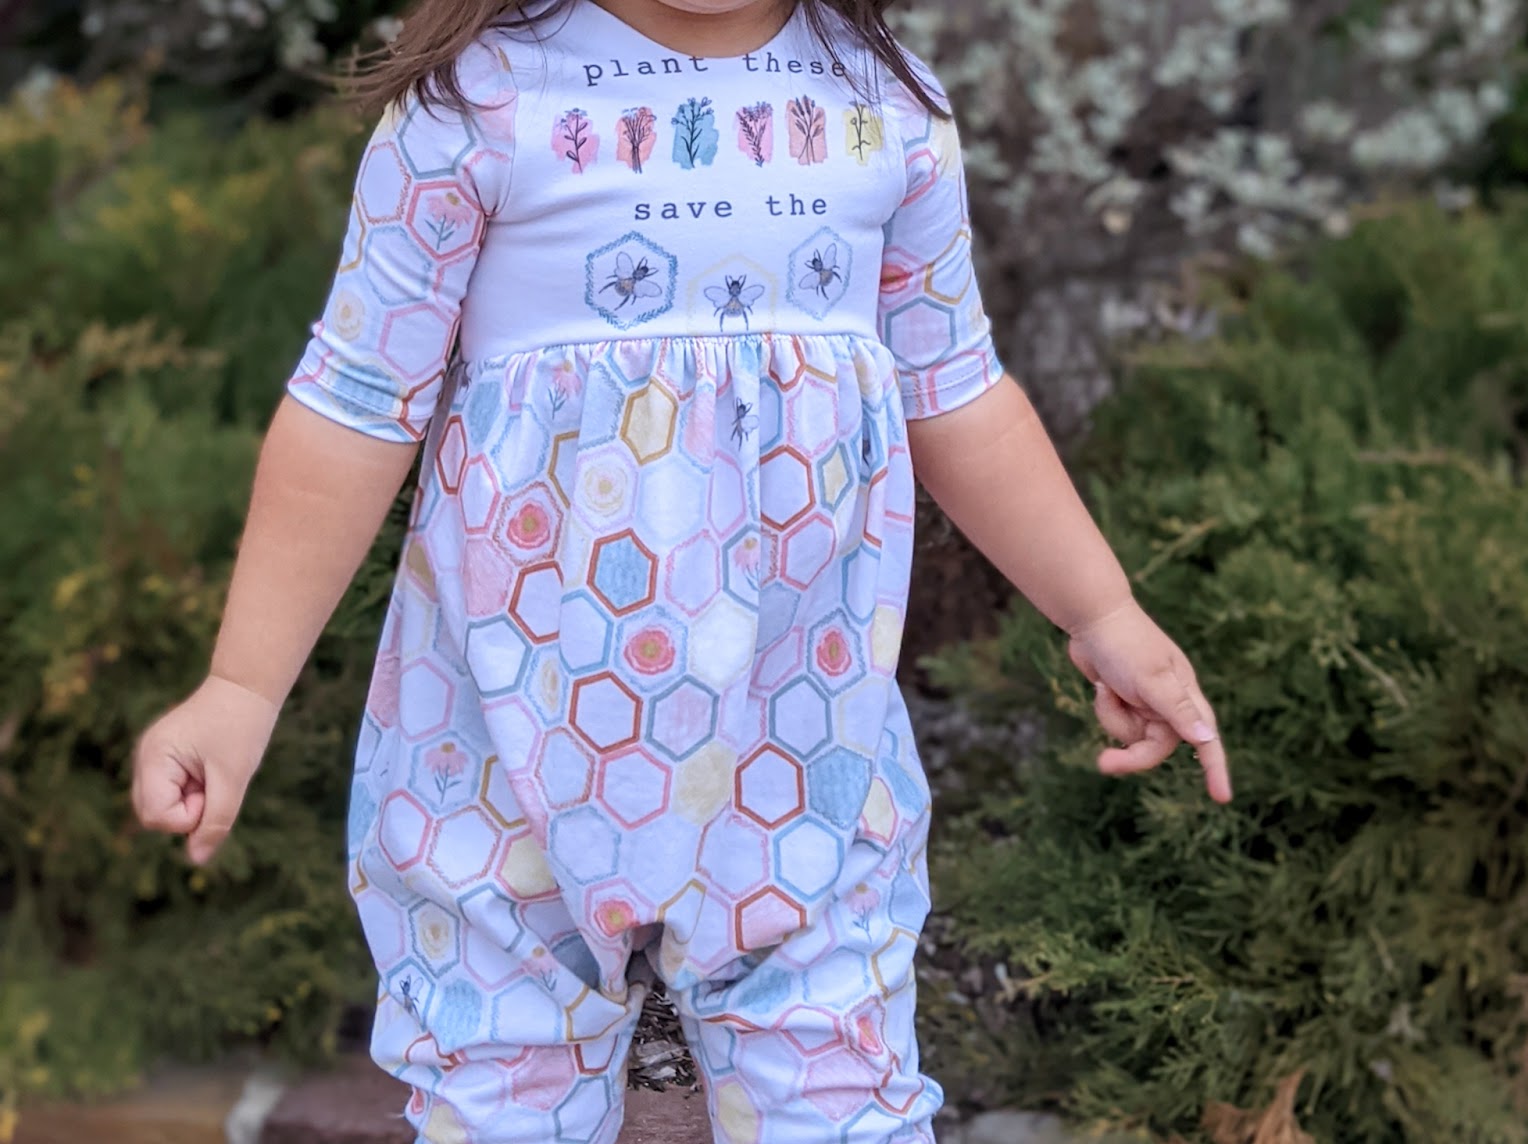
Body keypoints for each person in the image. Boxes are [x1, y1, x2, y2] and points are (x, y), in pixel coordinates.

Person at [130, 0, 1230, 1139]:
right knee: (499, 1103)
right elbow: (355, 405)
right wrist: (241, 689)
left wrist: (1102, 610)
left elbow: (955, 390)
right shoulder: (479, 102)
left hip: (800, 754)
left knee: (842, 1106)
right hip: (508, 759)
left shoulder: (882, 107)